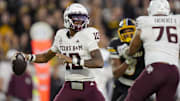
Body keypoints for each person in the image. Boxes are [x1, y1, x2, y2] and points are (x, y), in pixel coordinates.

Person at [16, 3, 105, 101]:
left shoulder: (88, 35)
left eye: (82, 19)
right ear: (67, 19)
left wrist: (73, 61)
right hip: (69, 86)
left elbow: (99, 62)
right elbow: (46, 57)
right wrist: (28, 57)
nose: (79, 22)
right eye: (76, 19)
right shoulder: (61, 35)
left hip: (88, 86)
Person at [122, 0, 180, 101]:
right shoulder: (177, 21)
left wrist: (127, 52)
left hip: (156, 68)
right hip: (173, 72)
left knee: (134, 94)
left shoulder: (145, 22)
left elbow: (133, 47)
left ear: (151, 10)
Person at [108, 18, 146, 101]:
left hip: (141, 85)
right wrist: (128, 60)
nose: (128, 34)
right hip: (122, 84)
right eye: (124, 31)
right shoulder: (115, 44)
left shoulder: (144, 42)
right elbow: (116, 74)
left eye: (130, 30)